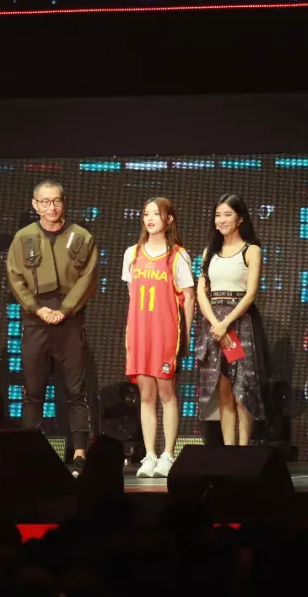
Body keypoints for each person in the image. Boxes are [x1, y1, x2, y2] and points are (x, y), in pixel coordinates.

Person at [6, 180, 99, 470]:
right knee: (33, 391)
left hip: (69, 321)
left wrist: (66, 310)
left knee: (76, 391)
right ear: (35, 205)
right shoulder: (23, 238)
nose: (52, 207)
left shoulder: (82, 236)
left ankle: (80, 453)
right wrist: (37, 309)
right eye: (45, 202)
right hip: (36, 319)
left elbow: (88, 277)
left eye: (56, 201)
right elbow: (14, 276)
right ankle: (29, 453)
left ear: (64, 202)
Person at [122, 197, 195, 478]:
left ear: (169, 219)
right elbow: (131, 296)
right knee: (146, 395)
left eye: (156, 213)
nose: (150, 218)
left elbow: (189, 297)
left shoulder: (178, 255)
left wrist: (185, 334)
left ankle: (168, 455)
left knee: (167, 394)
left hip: (166, 333)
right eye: (146, 214)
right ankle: (150, 455)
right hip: (139, 333)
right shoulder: (132, 253)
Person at [195, 194, 270, 446]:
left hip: (239, 326)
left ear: (240, 219)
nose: (222, 220)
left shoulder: (252, 250)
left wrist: (226, 324)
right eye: (218, 215)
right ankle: (229, 451)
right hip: (214, 328)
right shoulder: (209, 252)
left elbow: (250, 294)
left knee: (242, 391)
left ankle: (243, 449)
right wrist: (215, 324)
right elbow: (201, 293)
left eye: (228, 214)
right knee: (224, 392)